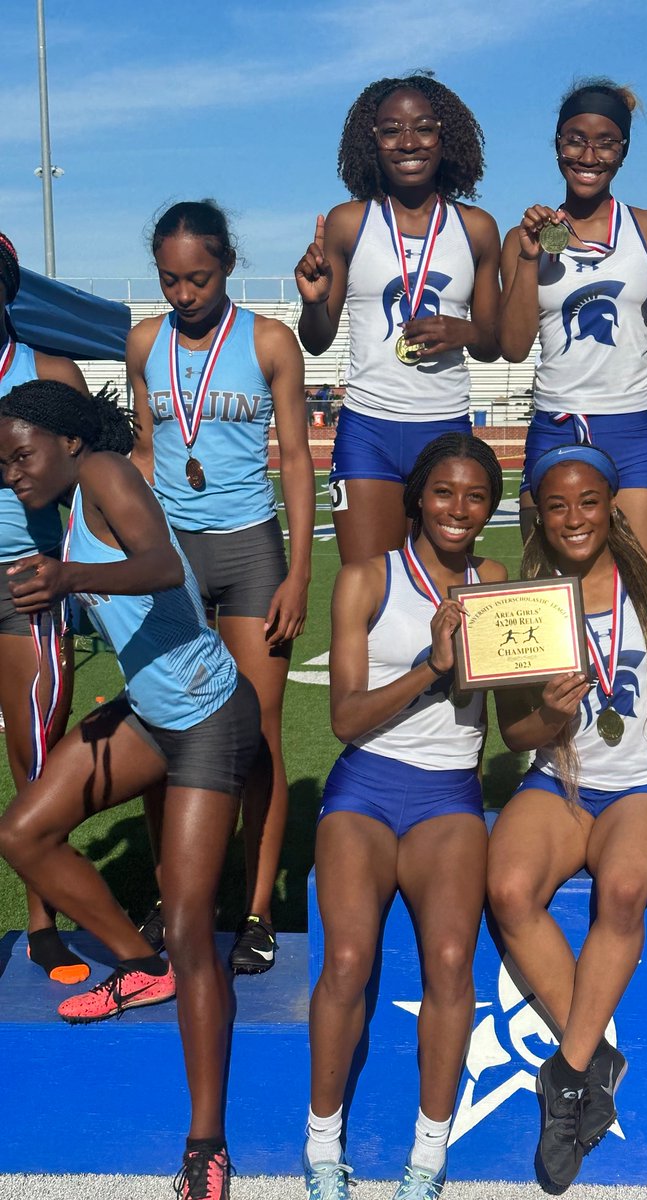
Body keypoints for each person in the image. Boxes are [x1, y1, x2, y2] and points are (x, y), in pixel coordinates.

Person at [0, 379, 261, 1200]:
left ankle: (206, 1142)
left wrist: (70, 576)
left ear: (69, 441)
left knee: (192, 925)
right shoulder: (70, 500)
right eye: (1, 464)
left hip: (211, 716)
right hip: (151, 714)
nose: (12, 474)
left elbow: (157, 566)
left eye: (20, 455)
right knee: (21, 835)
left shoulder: (107, 471)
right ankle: (137, 964)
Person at [487, 444, 647, 1194]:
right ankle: (593, 1058)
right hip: (560, 780)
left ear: (609, 504)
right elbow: (513, 735)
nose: (574, 517)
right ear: (538, 514)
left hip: (644, 785)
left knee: (620, 891)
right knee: (510, 891)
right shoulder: (521, 598)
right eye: (557, 504)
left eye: (588, 501)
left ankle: (567, 1073)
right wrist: (545, 716)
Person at [304, 433, 505, 1200]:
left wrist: (550, 693)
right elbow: (345, 719)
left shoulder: (493, 582)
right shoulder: (366, 578)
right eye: (445, 492)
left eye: (476, 495)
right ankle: (322, 1146)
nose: (459, 508)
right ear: (418, 496)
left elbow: (505, 715)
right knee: (348, 961)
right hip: (365, 787)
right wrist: (431, 667)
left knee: (452, 961)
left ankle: (428, 1157)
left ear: (491, 506)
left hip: (449, 794)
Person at [128, 200, 314, 973]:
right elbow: (143, 451)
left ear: (227, 266)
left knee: (258, 731)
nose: (181, 294)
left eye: (197, 278)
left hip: (249, 553)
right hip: (168, 555)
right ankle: (177, 895)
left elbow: (298, 459)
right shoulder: (144, 341)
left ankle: (257, 906)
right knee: (164, 723)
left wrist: (299, 570)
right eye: (169, 280)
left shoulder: (268, 339)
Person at [295, 73, 501, 565]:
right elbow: (317, 340)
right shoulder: (348, 221)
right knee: (369, 587)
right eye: (391, 131)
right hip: (368, 429)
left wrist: (464, 331)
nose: (408, 143)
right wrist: (312, 300)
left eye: (423, 128)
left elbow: (494, 343)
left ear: (444, 136)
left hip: (446, 426)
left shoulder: (476, 227)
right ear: (372, 141)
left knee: (443, 592)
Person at [497, 78, 647, 557]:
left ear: (623, 151)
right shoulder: (524, 237)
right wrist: (527, 261)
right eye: (575, 140)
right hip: (554, 422)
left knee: (643, 582)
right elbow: (513, 347)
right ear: (557, 145)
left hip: (629, 426)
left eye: (606, 142)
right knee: (549, 593)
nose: (589, 155)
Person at [0, 230, 90, 984]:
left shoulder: (48, 369)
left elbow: (95, 469)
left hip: (22, 575)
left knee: (35, 744)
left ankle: (41, 920)